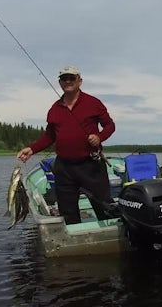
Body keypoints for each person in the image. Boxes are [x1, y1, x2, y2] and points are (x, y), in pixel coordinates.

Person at [17, 66, 116, 225]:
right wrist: (32, 149)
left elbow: (110, 125)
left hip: (91, 165)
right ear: (60, 83)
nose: (68, 81)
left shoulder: (93, 103)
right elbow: (49, 136)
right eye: (64, 79)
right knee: (68, 213)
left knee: (104, 207)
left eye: (72, 78)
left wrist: (100, 137)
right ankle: (74, 242)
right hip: (64, 168)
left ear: (80, 81)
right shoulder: (54, 109)